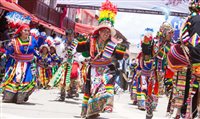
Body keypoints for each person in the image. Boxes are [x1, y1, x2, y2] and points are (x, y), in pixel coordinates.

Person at [77, 0, 127, 118]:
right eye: (103, 31)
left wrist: (121, 46)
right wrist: (81, 40)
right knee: (90, 91)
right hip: (93, 70)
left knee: (104, 92)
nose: (105, 33)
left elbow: (119, 57)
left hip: (106, 70)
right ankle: (89, 112)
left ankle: (95, 110)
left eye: (107, 32)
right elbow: (81, 52)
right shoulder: (91, 41)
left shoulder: (112, 44)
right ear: (99, 32)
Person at [167, 1, 200, 118]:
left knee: (186, 96)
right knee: (189, 96)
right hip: (192, 64)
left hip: (189, 63)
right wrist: (197, 67)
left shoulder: (193, 18)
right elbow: (195, 42)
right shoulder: (197, 20)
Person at [0, 22, 45, 103]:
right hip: (16, 64)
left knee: (27, 79)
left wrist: (42, 38)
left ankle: (21, 97)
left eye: (28, 30)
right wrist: (5, 54)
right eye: (25, 30)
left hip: (28, 65)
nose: (27, 32)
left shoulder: (32, 40)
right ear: (20, 31)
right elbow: (10, 51)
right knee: (14, 80)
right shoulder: (15, 41)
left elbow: (35, 49)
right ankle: (10, 96)